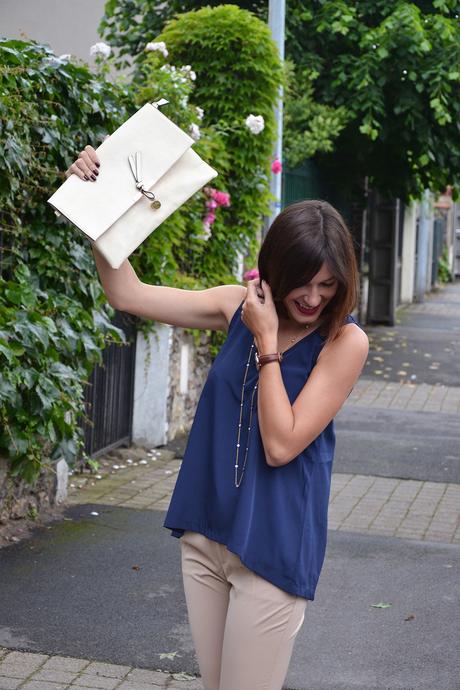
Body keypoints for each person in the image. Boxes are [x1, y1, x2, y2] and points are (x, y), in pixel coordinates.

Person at [66, 146, 369, 690]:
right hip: (208, 534)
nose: (314, 297)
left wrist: (267, 341)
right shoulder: (235, 305)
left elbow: (282, 443)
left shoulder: (343, 342)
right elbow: (127, 292)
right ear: (276, 267)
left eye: (328, 285)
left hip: (273, 546)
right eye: (303, 281)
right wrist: (97, 204)